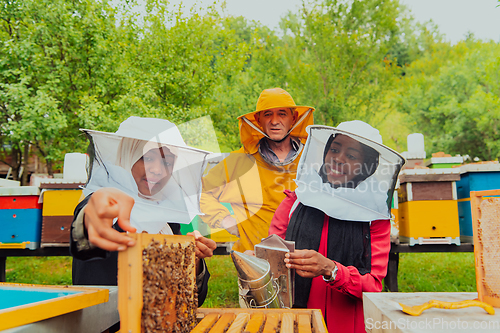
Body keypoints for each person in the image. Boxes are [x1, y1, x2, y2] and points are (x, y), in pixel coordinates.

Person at [268, 121, 405, 332]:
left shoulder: (374, 217)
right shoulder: (296, 200)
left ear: (366, 166)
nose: (338, 159)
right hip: (295, 320)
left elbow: (373, 285)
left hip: (348, 322)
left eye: (351, 156)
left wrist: (331, 269)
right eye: (334, 149)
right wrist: (260, 260)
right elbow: (272, 258)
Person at [70, 117, 217, 313]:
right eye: (147, 158)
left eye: (167, 161)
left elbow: (193, 300)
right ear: (127, 155)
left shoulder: (168, 216)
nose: (157, 170)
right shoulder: (101, 204)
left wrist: (193, 261)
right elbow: (87, 231)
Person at [200, 88, 315, 252]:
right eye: (268, 114)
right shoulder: (238, 161)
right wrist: (225, 220)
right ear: (258, 119)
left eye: (282, 113)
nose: (275, 121)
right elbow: (201, 193)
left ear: (294, 118)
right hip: (254, 261)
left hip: (305, 260)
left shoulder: (312, 158)